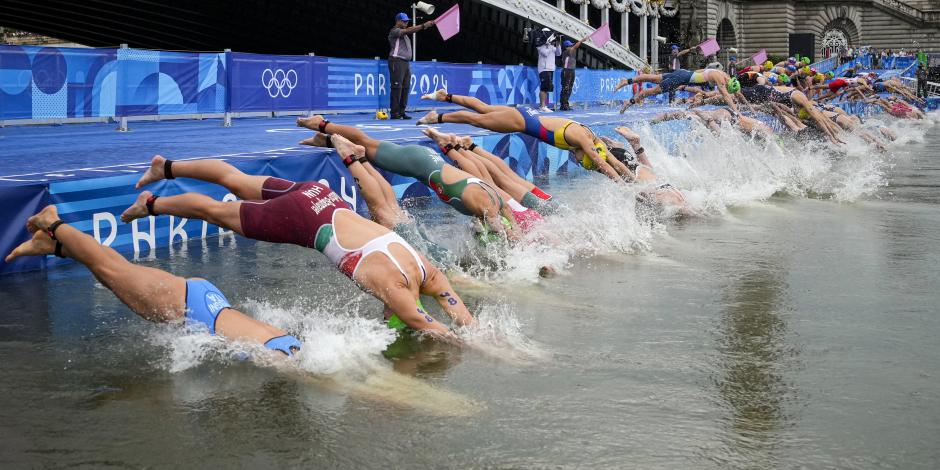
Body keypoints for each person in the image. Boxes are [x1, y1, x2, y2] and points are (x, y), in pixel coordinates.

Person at [122, 148, 475, 338]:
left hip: (322, 197)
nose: (386, 317)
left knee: (239, 181)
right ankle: (151, 204)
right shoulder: (395, 293)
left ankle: (166, 167)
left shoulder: (429, 274)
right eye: (390, 317)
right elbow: (428, 325)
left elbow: (457, 313)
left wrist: (476, 333)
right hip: (305, 220)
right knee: (217, 212)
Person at [6, 206, 303, 357]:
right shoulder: (285, 357)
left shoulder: (290, 345)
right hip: (192, 309)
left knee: (116, 272)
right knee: (111, 271)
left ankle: (53, 246)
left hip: (205, 301)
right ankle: (53, 223)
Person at [297, 115, 520, 240]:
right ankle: (322, 124)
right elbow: (505, 236)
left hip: (427, 163)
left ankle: (324, 140)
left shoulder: (497, 201)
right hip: (419, 162)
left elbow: (512, 230)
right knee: (367, 143)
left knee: (367, 153)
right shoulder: (488, 207)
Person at [417, 89, 634, 182]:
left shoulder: (596, 142)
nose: (576, 161)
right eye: (582, 162)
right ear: (583, 153)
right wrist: (623, 189)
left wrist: (632, 182)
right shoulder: (583, 141)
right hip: (521, 122)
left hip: (527, 114)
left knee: (484, 108)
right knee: (476, 119)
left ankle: (446, 96)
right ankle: (437, 118)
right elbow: (604, 166)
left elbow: (613, 162)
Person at [615, 68, 741, 113]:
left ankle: (626, 81)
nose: (723, 86)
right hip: (681, 78)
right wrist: (737, 112)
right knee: (650, 92)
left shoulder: (720, 73)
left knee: (653, 78)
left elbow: (698, 72)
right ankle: (629, 102)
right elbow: (725, 95)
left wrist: (683, 83)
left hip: (683, 74)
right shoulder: (720, 78)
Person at [388, 12, 435, 120]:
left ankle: (402, 112)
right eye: (404, 21)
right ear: (398, 21)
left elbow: (407, 31)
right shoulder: (394, 31)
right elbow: (408, 31)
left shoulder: (404, 35)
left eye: (407, 21)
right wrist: (423, 26)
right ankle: (395, 113)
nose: (406, 22)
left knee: (405, 87)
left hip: (405, 63)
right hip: (396, 61)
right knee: (397, 87)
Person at [559, 35, 588, 111]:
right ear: (566, 47)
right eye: (570, 45)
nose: (572, 46)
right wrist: (581, 40)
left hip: (571, 70)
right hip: (567, 71)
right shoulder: (567, 51)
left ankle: (565, 104)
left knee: (569, 88)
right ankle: (563, 105)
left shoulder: (570, 51)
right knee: (566, 88)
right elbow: (575, 47)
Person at [537, 29, 562, 112]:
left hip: (550, 69)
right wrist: (548, 44)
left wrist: (558, 43)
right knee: (543, 88)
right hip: (544, 69)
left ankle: (544, 106)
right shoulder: (540, 46)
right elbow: (545, 53)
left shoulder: (552, 46)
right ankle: (542, 106)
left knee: (547, 87)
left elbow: (559, 53)